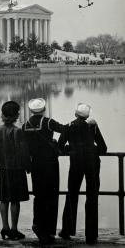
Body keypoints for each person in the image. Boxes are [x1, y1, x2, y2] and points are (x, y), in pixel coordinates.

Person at [58, 103, 107, 245]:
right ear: (87, 116)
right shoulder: (92, 126)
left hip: (76, 163)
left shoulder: (68, 126)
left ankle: (67, 230)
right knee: (92, 197)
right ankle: (91, 236)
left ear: (75, 114)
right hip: (92, 163)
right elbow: (103, 148)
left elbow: (60, 147)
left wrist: (72, 149)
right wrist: (91, 150)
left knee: (71, 195)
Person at [22, 98, 66, 245]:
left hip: (35, 164)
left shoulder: (25, 126)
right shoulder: (48, 122)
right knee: (52, 196)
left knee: (39, 195)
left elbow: (24, 147)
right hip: (50, 163)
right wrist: (57, 145)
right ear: (44, 109)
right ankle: (48, 230)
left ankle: (38, 224)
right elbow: (65, 130)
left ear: (31, 110)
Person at [0, 101, 30, 240]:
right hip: (16, 169)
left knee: (3, 199)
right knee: (15, 200)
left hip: (4, 168)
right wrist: (28, 166)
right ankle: (14, 229)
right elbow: (23, 152)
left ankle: (4, 227)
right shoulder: (17, 131)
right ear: (15, 115)